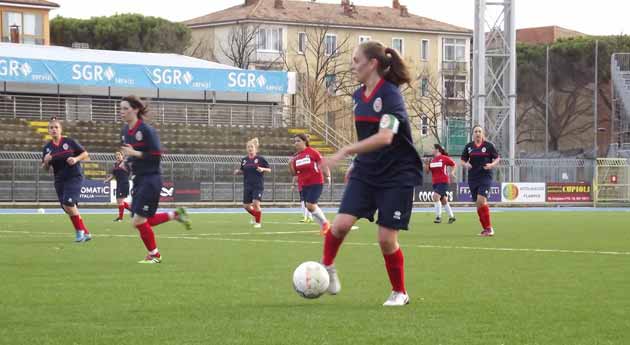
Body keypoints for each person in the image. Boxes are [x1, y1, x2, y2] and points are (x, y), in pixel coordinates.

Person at [320, 41, 423, 306]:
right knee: (340, 225)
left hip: (396, 174)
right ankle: (327, 268)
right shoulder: (357, 97)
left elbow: (385, 137)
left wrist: (345, 151)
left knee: (386, 239)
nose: (352, 66)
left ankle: (400, 291)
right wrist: (357, 162)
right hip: (367, 170)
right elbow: (367, 136)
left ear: (372, 64)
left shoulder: (390, 95)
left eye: (356, 60)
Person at [119, 95, 192, 264]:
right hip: (137, 179)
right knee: (144, 220)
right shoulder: (125, 131)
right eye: (120, 108)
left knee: (138, 220)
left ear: (135, 109)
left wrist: (134, 154)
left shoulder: (146, 130)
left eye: (125, 108)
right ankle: (175, 214)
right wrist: (126, 163)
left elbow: (157, 156)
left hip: (150, 179)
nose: (121, 112)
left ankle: (155, 255)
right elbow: (130, 154)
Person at [42, 117, 92, 243]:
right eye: (51, 128)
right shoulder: (47, 148)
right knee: (67, 207)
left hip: (74, 176)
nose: (54, 130)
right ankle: (86, 232)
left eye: (56, 127)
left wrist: (75, 159)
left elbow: (85, 154)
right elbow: (45, 168)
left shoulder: (69, 141)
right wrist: (46, 162)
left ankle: (79, 232)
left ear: (61, 129)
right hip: (59, 179)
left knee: (68, 203)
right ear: (48, 130)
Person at [461, 125, 500, 237]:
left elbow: (497, 158)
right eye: (475, 131)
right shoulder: (469, 147)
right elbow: (462, 160)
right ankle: (485, 229)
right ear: (473, 134)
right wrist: (466, 164)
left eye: (479, 131)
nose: (477, 133)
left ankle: (489, 228)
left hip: (485, 176)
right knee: (478, 204)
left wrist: (492, 165)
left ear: (482, 133)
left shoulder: (489, 146)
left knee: (481, 200)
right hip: (473, 178)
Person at [290, 134, 331, 236]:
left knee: (310, 205)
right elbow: (295, 174)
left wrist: (328, 176)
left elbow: (323, 164)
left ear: (304, 141)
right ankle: (324, 226)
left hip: (316, 182)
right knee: (310, 207)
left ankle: (325, 223)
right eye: (294, 141)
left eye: (298, 141)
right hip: (304, 185)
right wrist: (290, 165)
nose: (296, 143)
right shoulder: (296, 157)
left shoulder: (313, 152)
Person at [234, 138, 271, 228]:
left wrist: (263, 169)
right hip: (247, 185)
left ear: (256, 148)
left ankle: (258, 223)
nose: (250, 148)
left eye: (252, 147)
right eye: (248, 147)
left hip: (257, 185)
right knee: (246, 206)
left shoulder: (260, 159)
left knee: (255, 203)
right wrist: (238, 171)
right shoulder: (244, 160)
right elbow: (243, 170)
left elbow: (269, 169)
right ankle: (256, 215)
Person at [427, 144, 457, 224]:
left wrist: (452, 172)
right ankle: (452, 217)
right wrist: (426, 164)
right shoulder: (432, 160)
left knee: (435, 196)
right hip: (435, 183)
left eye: (433, 148)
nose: (432, 150)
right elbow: (427, 172)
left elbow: (454, 164)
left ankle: (438, 217)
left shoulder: (444, 158)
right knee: (443, 200)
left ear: (437, 150)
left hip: (443, 181)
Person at [104, 151, 131, 222]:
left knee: (120, 200)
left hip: (124, 183)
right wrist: (107, 180)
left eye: (119, 155)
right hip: (118, 184)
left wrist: (123, 167)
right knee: (119, 201)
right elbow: (113, 175)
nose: (118, 156)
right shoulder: (115, 164)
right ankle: (133, 210)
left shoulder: (125, 164)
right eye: (116, 155)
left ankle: (120, 218)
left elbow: (129, 173)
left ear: (122, 156)